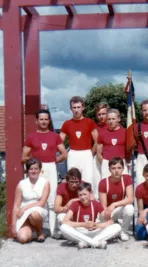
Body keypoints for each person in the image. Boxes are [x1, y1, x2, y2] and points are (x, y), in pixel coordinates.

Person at [22, 109, 67, 237]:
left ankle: (54, 230)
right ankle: (38, 229)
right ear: (37, 121)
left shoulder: (55, 136)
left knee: (52, 197)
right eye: (41, 119)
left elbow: (64, 154)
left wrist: (53, 161)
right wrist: (35, 165)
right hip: (37, 170)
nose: (43, 121)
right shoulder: (31, 137)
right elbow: (24, 156)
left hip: (51, 167)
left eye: (46, 119)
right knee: (36, 197)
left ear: (49, 120)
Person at [60, 182, 122, 249]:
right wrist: (83, 224)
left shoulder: (96, 204)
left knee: (117, 226)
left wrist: (96, 225)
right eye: (80, 195)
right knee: (63, 227)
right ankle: (95, 243)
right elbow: (65, 222)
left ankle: (86, 243)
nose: (83, 197)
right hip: (80, 232)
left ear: (90, 193)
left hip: (93, 231)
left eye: (85, 194)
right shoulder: (75, 204)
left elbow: (110, 221)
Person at [60, 96, 98, 186]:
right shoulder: (67, 124)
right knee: (73, 180)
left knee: (88, 180)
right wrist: (65, 153)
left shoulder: (90, 122)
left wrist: (91, 153)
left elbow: (97, 140)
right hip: (73, 153)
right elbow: (59, 141)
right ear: (71, 109)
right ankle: (74, 199)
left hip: (86, 153)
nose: (76, 110)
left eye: (78, 107)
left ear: (83, 108)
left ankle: (88, 199)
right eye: (74, 108)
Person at [12, 158, 50, 244]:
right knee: (22, 239)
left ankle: (39, 231)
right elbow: (16, 206)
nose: (33, 171)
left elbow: (42, 203)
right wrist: (13, 226)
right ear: (27, 170)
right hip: (23, 215)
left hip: (38, 210)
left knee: (34, 214)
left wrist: (25, 207)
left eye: (36, 169)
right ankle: (31, 231)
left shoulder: (45, 182)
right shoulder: (21, 184)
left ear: (40, 170)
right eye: (31, 169)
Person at [98, 157, 134, 241]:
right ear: (109, 170)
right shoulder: (103, 182)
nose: (116, 171)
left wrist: (114, 204)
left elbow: (130, 199)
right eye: (113, 168)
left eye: (119, 168)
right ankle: (114, 226)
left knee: (130, 208)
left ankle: (123, 232)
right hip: (107, 210)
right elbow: (103, 205)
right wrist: (108, 217)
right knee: (108, 233)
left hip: (117, 208)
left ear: (123, 169)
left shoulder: (127, 178)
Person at [97, 108, 128, 180]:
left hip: (121, 163)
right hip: (106, 163)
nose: (111, 121)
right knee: (107, 187)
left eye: (113, 119)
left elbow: (128, 151)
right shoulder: (102, 133)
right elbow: (99, 153)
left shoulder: (125, 132)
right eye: (109, 119)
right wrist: (105, 164)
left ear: (118, 119)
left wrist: (124, 162)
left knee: (123, 187)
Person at [92, 102, 109, 197]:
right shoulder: (94, 128)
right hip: (97, 159)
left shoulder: (112, 126)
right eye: (99, 114)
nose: (101, 116)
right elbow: (95, 144)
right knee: (97, 182)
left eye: (103, 114)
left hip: (109, 158)